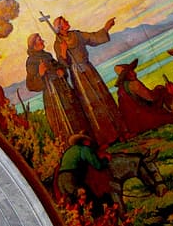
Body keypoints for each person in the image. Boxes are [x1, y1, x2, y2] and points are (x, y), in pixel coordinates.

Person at [52, 14, 123, 147]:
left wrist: (106, 28)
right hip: (77, 75)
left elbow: (93, 37)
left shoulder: (77, 35)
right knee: (91, 105)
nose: (68, 21)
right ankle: (105, 138)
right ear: (60, 28)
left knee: (103, 97)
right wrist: (62, 53)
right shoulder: (58, 44)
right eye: (65, 21)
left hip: (89, 69)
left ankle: (119, 131)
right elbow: (63, 65)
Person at [25, 32, 90, 144]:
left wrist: (61, 71)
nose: (42, 41)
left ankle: (86, 142)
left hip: (62, 88)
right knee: (62, 120)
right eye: (39, 40)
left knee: (75, 114)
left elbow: (60, 68)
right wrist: (40, 74)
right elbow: (31, 85)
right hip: (52, 94)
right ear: (33, 45)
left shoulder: (47, 55)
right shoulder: (31, 61)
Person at [114, 59, 173, 137]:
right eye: (129, 72)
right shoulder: (134, 84)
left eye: (132, 70)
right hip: (144, 119)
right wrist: (162, 90)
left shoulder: (121, 88)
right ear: (125, 76)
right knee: (161, 89)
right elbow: (151, 98)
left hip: (132, 124)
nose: (134, 73)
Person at [57, 133, 114, 216]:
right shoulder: (84, 149)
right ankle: (99, 220)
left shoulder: (69, 150)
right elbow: (98, 165)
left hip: (61, 180)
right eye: (88, 140)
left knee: (73, 206)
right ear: (84, 141)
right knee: (92, 200)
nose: (90, 142)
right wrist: (105, 160)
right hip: (71, 178)